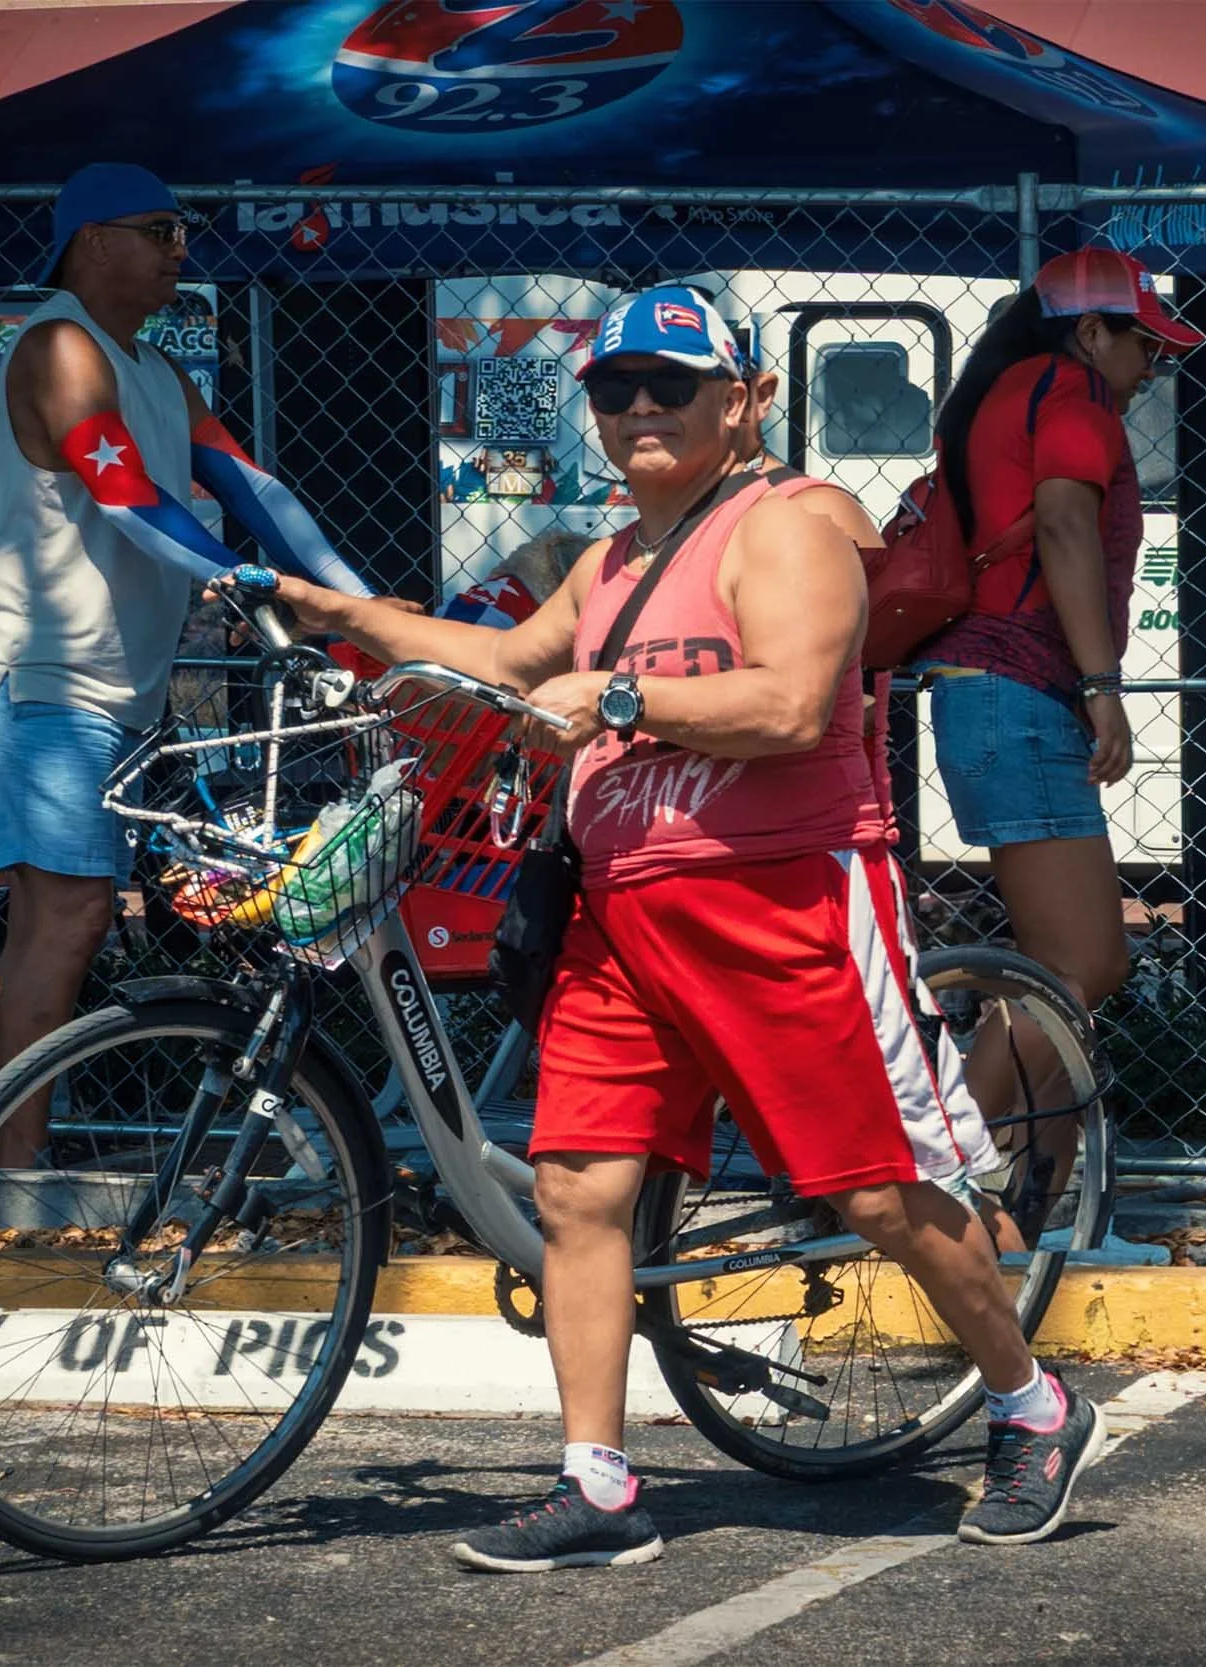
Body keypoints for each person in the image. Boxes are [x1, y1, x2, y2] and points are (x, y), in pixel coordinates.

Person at [256, 285, 1106, 1569]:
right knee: (577, 1186)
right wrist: (346, 617)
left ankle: (1031, 1403)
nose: (640, 408)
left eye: (672, 384)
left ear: (744, 398)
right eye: (615, 389)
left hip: (784, 902)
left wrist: (621, 697)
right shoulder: (607, 563)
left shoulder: (792, 524)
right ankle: (597, 1481)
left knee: (879, 1191)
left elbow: (793, 703)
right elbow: (511, 666)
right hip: (622, 918)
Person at [0, 162, 370, 1167]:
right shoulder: (59, 345)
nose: (182, 250)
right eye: (161, 231)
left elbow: (257, 490)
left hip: (100, 693)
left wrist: (361, 598)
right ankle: (16, 1182)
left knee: (54, 920)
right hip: (31, 684)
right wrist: (240, 580)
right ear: (92, 241)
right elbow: (125, 494)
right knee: (70, 914)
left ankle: (6, 1170)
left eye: (184, 232)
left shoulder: (157, 371)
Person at [912, 248, 1201, 1198]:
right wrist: (1102, 684)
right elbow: (1067, 529)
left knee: (1060, 972)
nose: (1153, 366)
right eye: (1145, 345)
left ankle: (1035, 1196)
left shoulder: (1013, 390)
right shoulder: (1070, 393)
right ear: (1090, 332)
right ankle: (931, 1175)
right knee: (1080, 967)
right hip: (1020, 687)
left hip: (996, 689)